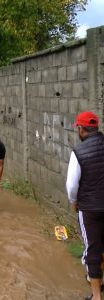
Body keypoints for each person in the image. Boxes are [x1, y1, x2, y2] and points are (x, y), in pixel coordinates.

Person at [66, 111, 104, 300]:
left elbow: (72, 184)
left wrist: (73, 202)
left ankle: (96, 296)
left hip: (89, 208)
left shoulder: (78, 152)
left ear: (81, 129)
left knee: (92, 250)